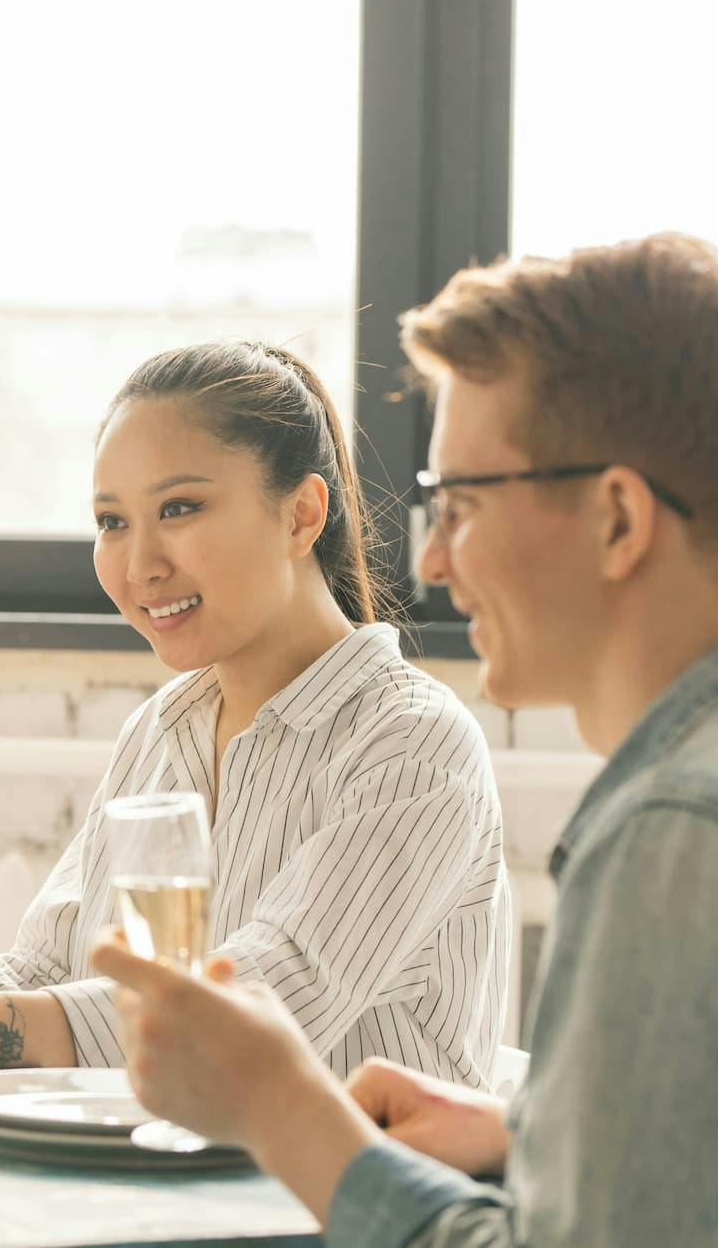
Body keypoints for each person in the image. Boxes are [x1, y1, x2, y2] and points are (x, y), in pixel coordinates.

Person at [94, 232, 718, 1246]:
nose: (427, 557)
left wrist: (281, 1109)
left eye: (462, 503)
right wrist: (532, 1135)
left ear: (615, 518)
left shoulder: (671, 831)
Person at [0, 341, 510, 1080]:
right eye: (111, 522)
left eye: (181, 508)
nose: (140, 563)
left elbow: (259, 1009)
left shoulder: (415, 744)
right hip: (176, 1188)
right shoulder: (162, 730)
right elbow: (49, 970)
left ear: (302, 513)